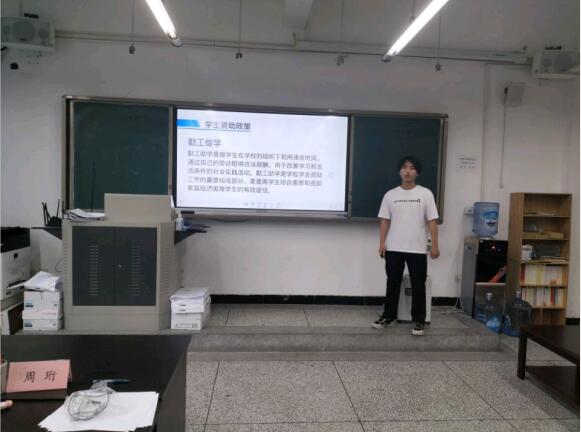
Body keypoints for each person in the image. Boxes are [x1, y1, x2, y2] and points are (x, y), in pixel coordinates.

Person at [372, 156, 440, 336]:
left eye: (412, 168)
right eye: (404, 167)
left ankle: (418, 320)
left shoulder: (425, 194)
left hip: (417, 248)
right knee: (392, 283)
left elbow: (432, 221)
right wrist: (382, 243)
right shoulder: (390, 195)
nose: (408, 171)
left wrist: (434, 245)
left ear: (417, 172)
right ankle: (388, 316)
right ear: (399, 171)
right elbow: (384, 221)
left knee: (418, 285)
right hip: (394, 247)